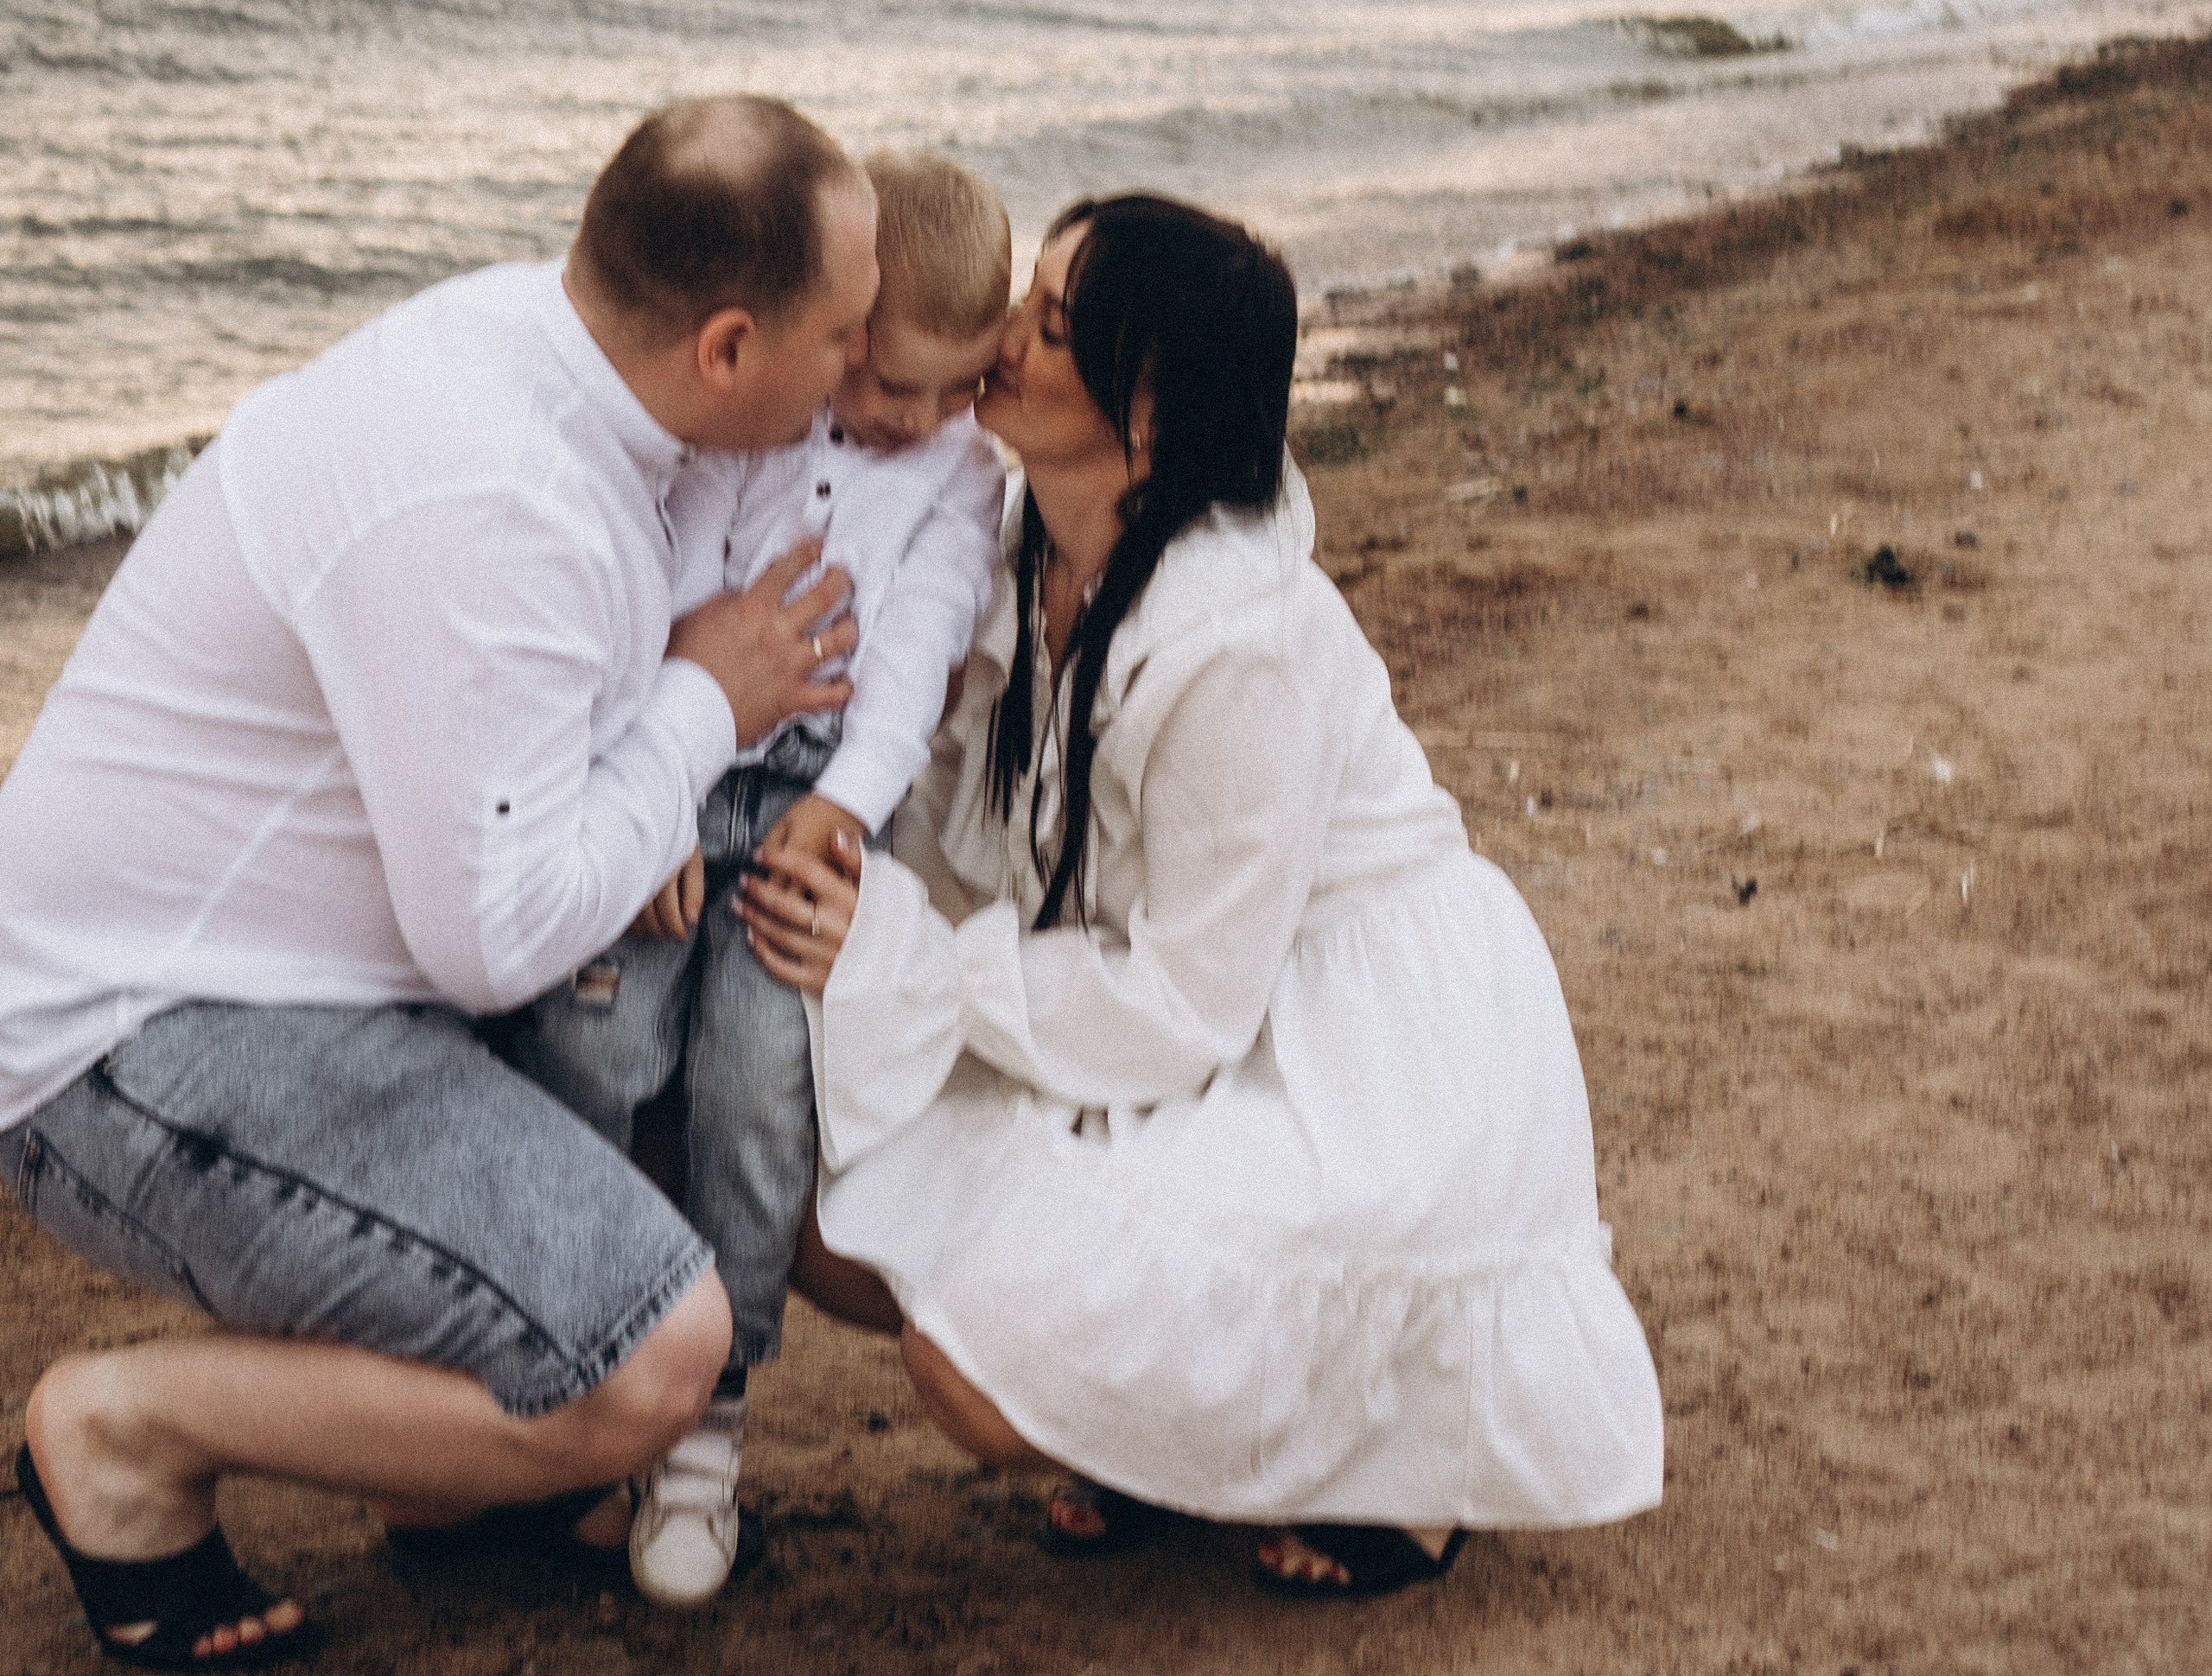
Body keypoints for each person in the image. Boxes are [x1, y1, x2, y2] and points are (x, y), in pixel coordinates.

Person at [0, 94, 878, 1667]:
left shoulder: (542, 356)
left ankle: (441, 1479)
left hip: (302, 979)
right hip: (139, 1039)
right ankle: (124, 1437)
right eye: (846, 337)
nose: (863, 374)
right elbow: (499, 937)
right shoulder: (497, 497)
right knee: (647, 1351)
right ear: (730, 349)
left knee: (676, 1078)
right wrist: (707, 705)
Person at [740, 194, 1666, 1603]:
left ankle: (1394, 1470)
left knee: (975, 1372)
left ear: (1152, 417)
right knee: (824, 1206)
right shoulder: (1016, 535)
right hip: (1155, 986)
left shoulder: (1240, 644)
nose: (999, 338)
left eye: (1051, 328)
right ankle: (1165, 1441)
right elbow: (977, 819)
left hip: (1351, 1048)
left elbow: (1184, 1003)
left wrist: (911, 968)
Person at [516, 149, 1012, 1607]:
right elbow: (659, 592)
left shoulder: (958, 479)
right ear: (839, 326)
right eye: (887, 379)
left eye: (957, 388)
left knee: (751, 1086)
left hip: (807, 808)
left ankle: (704, 1435)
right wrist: (657, 787)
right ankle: (583, 1367)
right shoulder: (748, 432)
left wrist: (846, 806)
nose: (913, 418)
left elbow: (918, 650)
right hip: (675, 771)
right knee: (596, 1041)